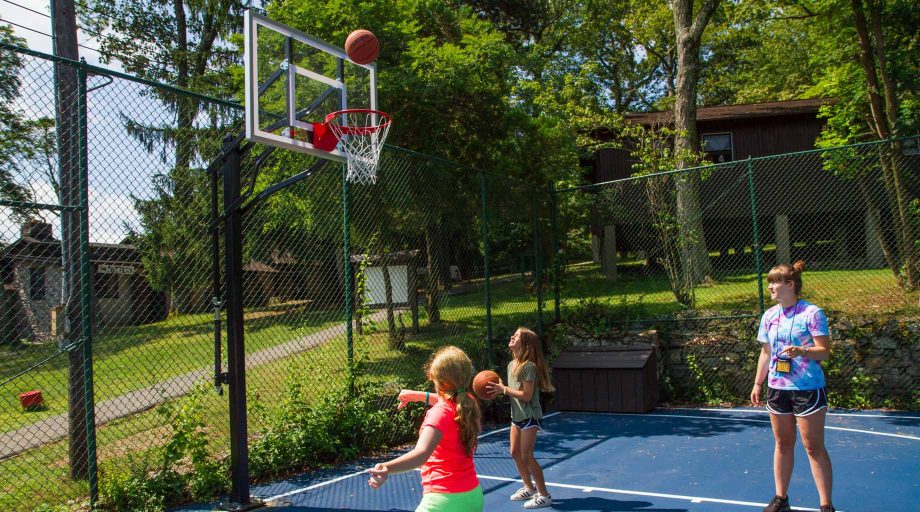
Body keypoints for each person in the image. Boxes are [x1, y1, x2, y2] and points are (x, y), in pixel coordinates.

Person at [751, 261, 835, 512]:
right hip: (777, 387)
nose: (770, 287)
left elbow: (825, 352)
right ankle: (781, 498)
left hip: (807, 388)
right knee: (783, 444)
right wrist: (758, 382)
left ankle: (826, 505)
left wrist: (803, 351)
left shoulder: (812, 313)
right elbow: (766, 352)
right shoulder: (770, 315)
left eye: (774, 282)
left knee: (813, 447)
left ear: (790, 284)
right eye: (769, 282)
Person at [367, 345, 483, 512]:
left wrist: (387, 468)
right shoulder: (468, 402)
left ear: (434, 378)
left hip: (444, 501)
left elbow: (421, 454)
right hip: (473, 496)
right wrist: (418, 396)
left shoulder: (439, 414)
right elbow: (447, 399)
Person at [486, 327, 555, 509]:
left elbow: (526, 395)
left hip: (530, 416)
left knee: (527, 456)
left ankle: (544, 495)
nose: (511, 337)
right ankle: (529, 487)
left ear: (524, 345)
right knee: (515, 453)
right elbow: (513, 392)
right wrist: (500, 390)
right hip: (516, 417)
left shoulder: (529, 367)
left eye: (516, 336)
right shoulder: (511, 365)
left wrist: (504, 390)